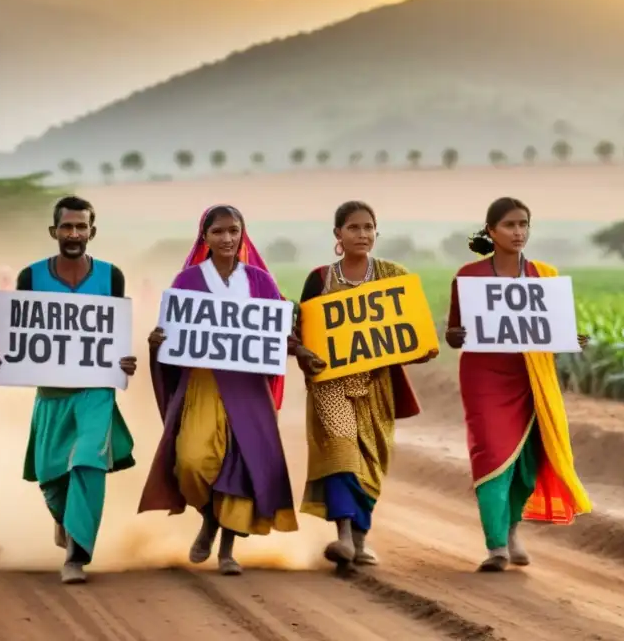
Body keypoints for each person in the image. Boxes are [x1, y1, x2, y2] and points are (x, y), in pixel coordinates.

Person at [0, 196, 137, 585]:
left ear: (92, 232)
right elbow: (16, 335)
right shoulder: (30, 277)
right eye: (66, 227)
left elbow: (115, 335)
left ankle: (76, 556)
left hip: (96, 392)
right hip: (51, 395)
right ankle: (63, 519)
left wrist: (125, 361)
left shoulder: (111, 276)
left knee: (88, 462)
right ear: (54, 232)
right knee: (52, 477)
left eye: (81, 227)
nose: (74, 234)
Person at [138, 204, 299, 576]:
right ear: (205, 238)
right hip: (203, 385)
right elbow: (171, 336)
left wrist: (295, 346)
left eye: (234, 231)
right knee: (191, 463)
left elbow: (277, 334)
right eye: (219, 232)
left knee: (240, 467)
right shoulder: (187, 282)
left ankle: (227, 549)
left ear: (243, 234)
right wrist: (157, 342)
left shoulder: (260, 281)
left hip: (247, 390)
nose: (227, 239)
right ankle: (209, 518)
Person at [444, 196, 592, 572]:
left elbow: (552, 330)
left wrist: (571, 339)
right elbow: (455, 332)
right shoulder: (469, 276)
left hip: (531, 379)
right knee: (492, 455)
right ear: (491, 231)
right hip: (484, 378)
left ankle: (512, 531)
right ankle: (495, 546)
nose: (518, 232)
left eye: (524, 224)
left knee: (527, 464)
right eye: (510, 225)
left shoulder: (546, 275)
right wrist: (456, 336)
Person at [294, 201, 437, 567]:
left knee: (372, 461)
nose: (362, 234)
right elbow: (303, 334)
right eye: (354, 228)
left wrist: (422, 348)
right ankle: (342, 536)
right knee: (342, 454)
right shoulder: (320, 278)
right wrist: (307, 356)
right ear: (338, 235)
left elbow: (412, 333)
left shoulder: (394, 276)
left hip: (376, 384)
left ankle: (359, 539)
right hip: (330, 385)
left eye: (369, 227)